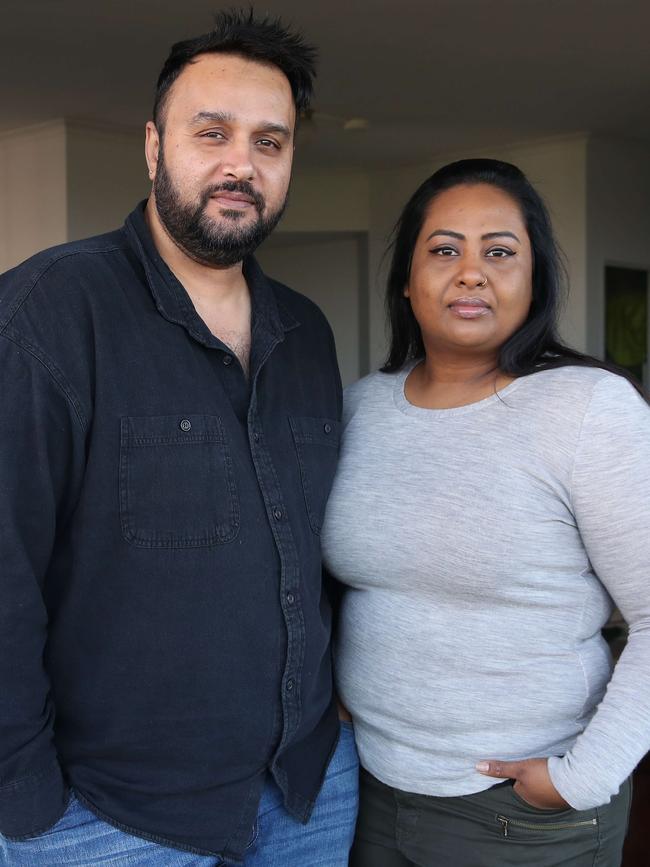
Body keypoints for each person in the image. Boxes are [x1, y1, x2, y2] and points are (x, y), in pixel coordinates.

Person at [0, 10, 358, 866]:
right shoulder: (51, 311)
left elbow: (312, 553)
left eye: (270, 142)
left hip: (309, 792)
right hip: (110, 817)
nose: (242, 163)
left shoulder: (305, 332)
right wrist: (25, 799)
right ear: (155, 148)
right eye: (213, 133)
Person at [321, 158, 650, 867]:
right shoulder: (358, 408)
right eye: (444, 250)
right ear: (407, 282)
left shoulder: (588, 408)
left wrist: (582, 777)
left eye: (500, 252)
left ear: (533, 282)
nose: (471, 273)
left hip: (520, 818)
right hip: (369, 790)